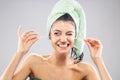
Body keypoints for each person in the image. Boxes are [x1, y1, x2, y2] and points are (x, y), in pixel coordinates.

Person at [0, 0, 111, 80]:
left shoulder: (85, 70)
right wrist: (19, 53)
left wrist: (98, 60)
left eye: (69, 33)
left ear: (75, 37)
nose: (63, 39)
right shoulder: (33, 62)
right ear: (50, 35)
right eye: (57, 33)